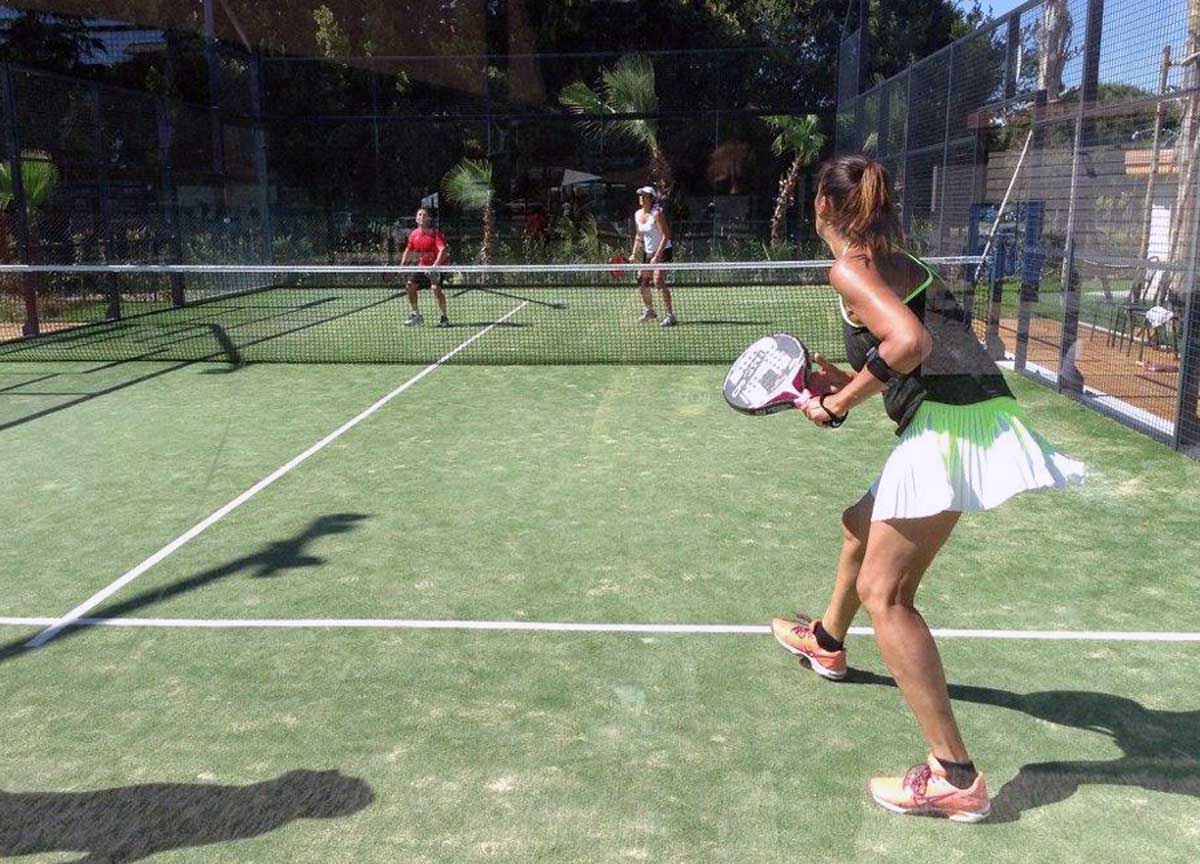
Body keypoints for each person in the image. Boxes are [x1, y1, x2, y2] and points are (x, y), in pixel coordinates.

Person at [769, 155, 1085, 822]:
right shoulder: (902, 261)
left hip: (946, 431)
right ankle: (827, 641)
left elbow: (908, 342)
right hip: (978, 415)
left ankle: (954, 775)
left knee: (886, 595)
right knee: (859, 523)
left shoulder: (849, 268)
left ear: (822, 207)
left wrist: (838, 404)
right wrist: (843, 381)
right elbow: (912, 351)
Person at [629, 186, 677, 327]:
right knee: (642, 281)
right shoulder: (638, 214)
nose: (641, 198)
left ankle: (670, 315)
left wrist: (657, 256)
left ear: (651, 198)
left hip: (663, 251)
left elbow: (666, 235)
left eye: (644, 196)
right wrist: (634, 253)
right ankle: (649, 311)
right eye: (640, 195)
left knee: (658, 281)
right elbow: (639, 236)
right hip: (648, 253)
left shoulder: (657, 214)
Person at [397, 207, 451, 327]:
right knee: (410, 286)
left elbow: (443, 251)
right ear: (416, 218)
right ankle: (416, 315)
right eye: (419, 214)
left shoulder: (435, 234)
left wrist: (434, 267)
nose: (421, 216)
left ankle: (444, 317)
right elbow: (408, 250)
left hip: (438, 266)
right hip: (422, 266)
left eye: (424, 215)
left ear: (429, 219)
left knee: (435, 289)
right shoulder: (414, 234)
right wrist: (402, 265)